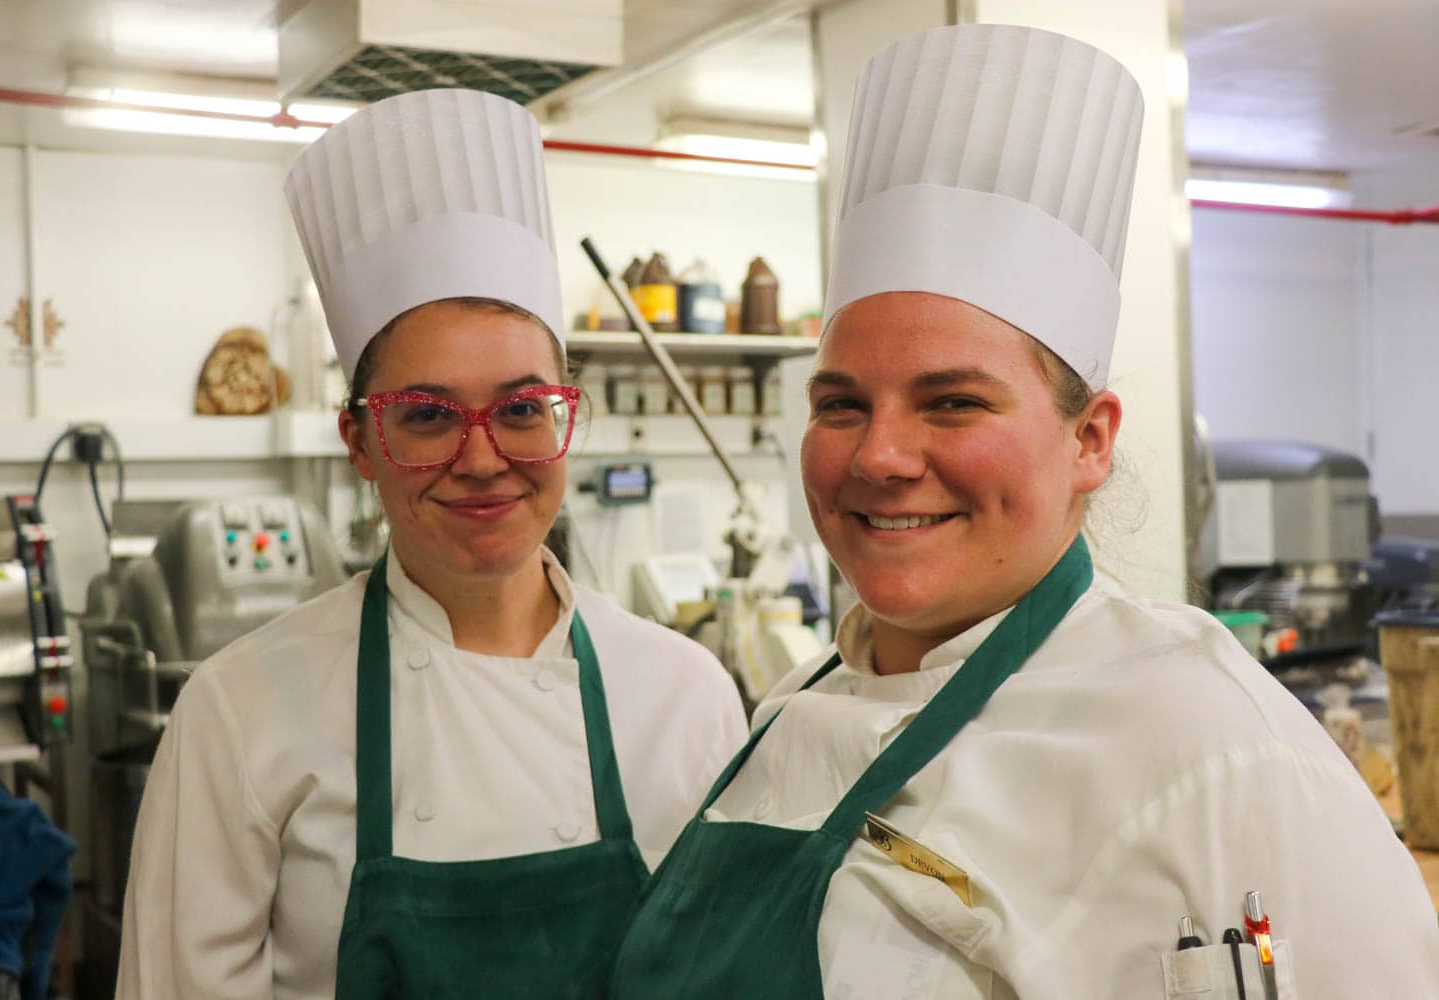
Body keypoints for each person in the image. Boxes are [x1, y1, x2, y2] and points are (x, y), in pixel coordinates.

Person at [610, 23, 1439, 999]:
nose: (878, 455)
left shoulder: (1221, 751)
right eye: (841, 403)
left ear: (1089, 440)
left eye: (953, 401)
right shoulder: (790, 712)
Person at [116, 88, 747, 1000]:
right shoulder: (240, 711)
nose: (483, 459)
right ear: (361, 444)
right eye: (426, 415)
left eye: (522, 409)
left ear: (570, 418)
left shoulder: (687, 696)